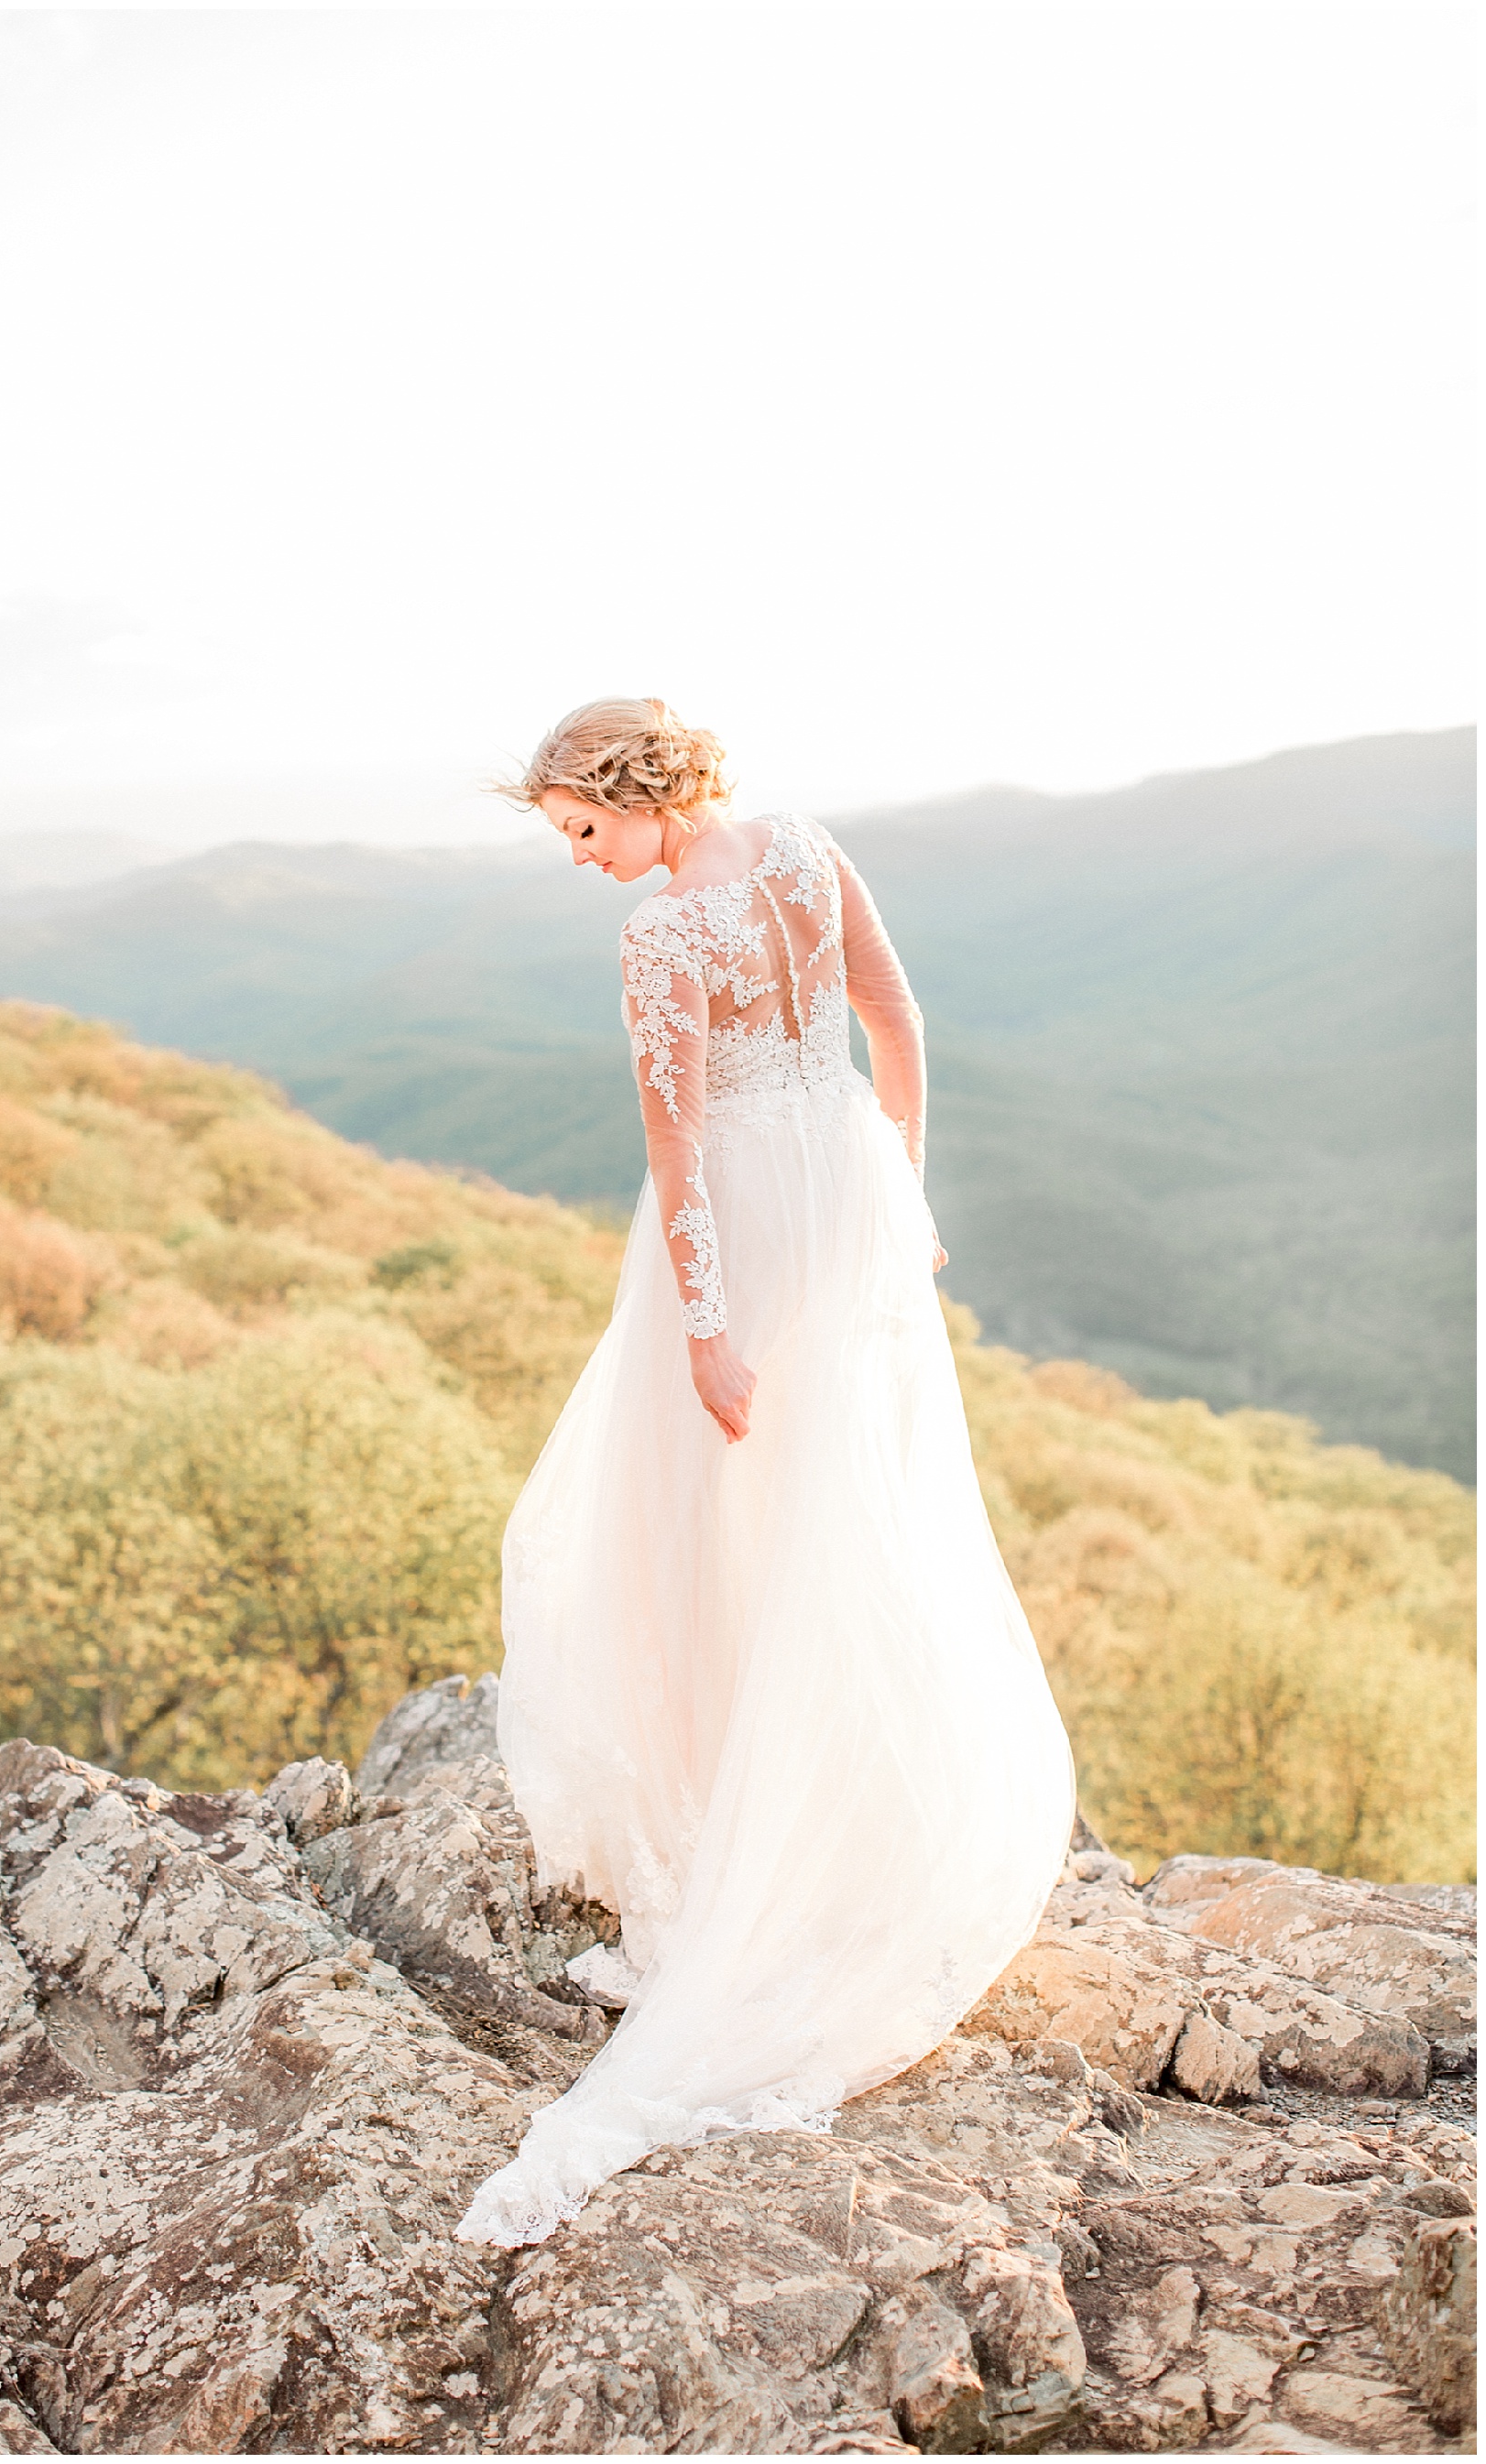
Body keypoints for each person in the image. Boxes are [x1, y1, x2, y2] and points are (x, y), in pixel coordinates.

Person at [455, 698, 1074, 2250]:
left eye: (586, 831)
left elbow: (676, 1151)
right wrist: (902, 1195)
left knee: (701, 1544)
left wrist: (709, 1330)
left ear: (636, 796)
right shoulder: (806, 849)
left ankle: (747, 1873)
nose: (587, 863)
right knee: (852, 1523)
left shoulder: (665, 938)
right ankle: (834, 1839)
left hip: (739, 1233)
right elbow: (897, 1020)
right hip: (849, 1204)